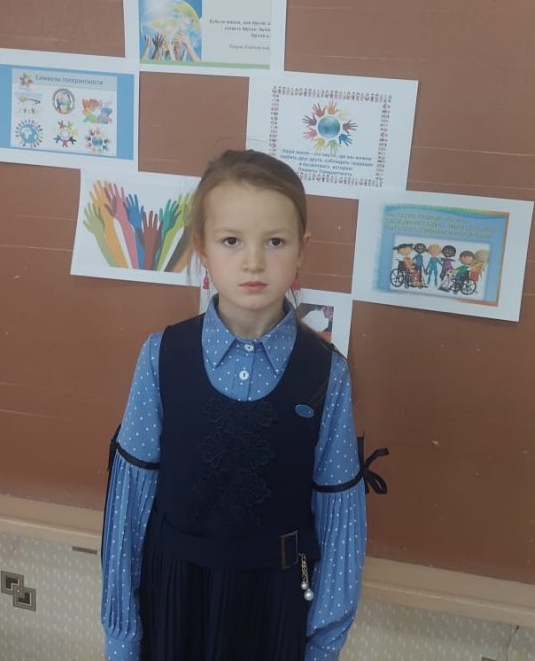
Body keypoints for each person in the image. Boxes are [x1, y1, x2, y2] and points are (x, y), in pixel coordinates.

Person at [102, 149, 368, 661]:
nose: (253, 262)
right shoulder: (162, 357)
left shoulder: (326, 374)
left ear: (302, 249)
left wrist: (322, 645)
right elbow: (130, 501)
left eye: (275, 241)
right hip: (172, 596)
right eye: (231, 241)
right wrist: (122, 637)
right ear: (202, 247)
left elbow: (339, 516)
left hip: (275, 604)